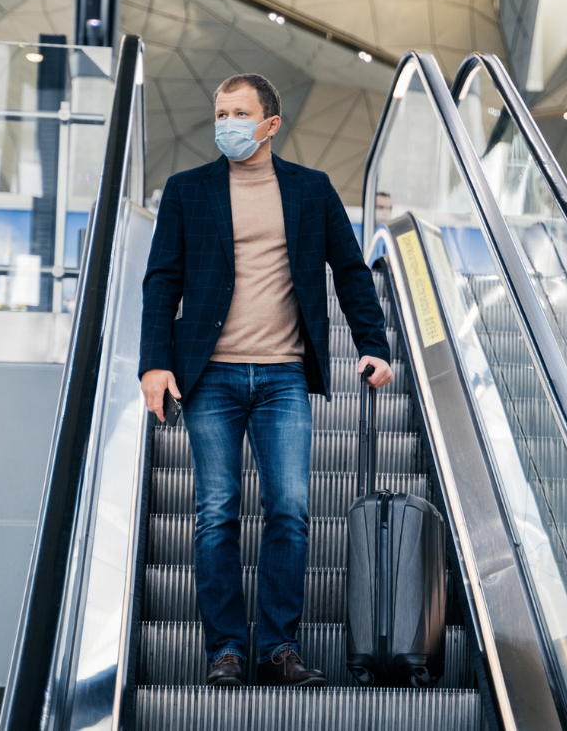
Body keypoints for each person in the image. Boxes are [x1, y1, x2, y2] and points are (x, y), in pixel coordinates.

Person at [138, 73, 393, 688]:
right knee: (216, 511)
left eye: (239, 112)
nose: (226, 122)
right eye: (221, 112)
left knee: (291, 508)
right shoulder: (186, 190)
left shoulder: (312, 190)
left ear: (270, 124)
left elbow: (352, 272)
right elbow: (161, 280)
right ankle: (225, 649)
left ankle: (279, 647)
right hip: (210, 375)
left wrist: (374, 346)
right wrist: (153, 364)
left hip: (282, 374)